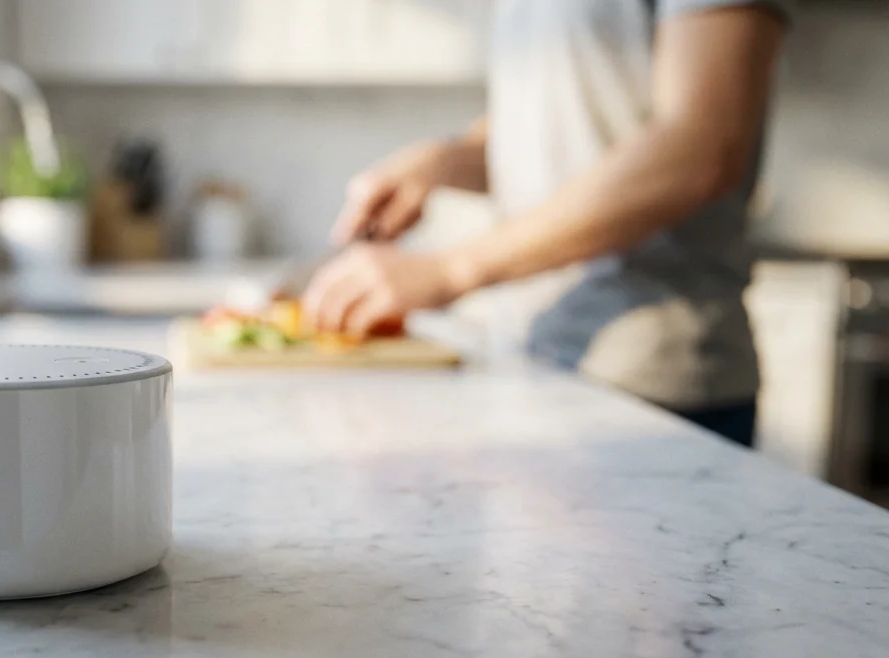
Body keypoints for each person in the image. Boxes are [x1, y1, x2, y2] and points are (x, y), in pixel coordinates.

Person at [304, 0, 792, 447]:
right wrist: (447, 161)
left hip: (650, 387)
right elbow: (574, 129)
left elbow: (700, 149)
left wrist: (451, 269)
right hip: (534, 364)